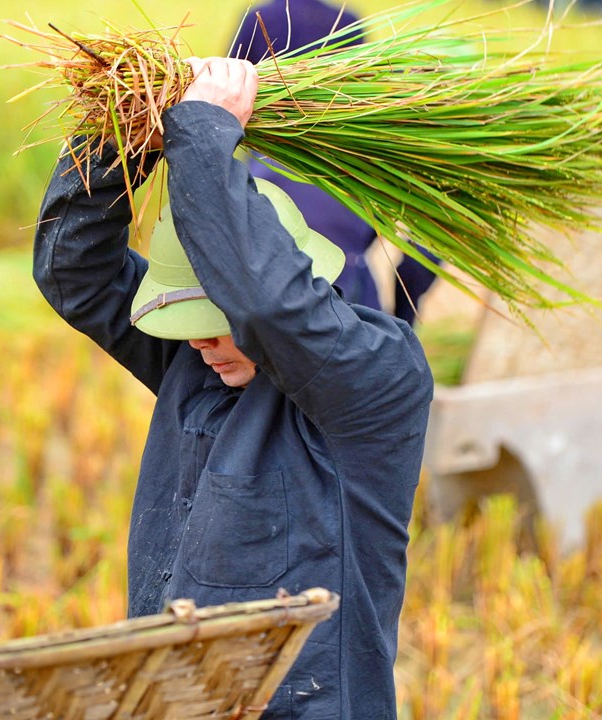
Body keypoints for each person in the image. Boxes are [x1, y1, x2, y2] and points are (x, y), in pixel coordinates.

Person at [34, 56, 433, 718]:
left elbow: (269, 310)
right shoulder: (195, 367)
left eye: (212, 323)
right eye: (183, 323)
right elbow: (74, 272)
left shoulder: (376, 378)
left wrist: (204, 133)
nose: (196, 341)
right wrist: (121, 138)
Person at [229, 0, 440, 324]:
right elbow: (426, 248)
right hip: (350, 290)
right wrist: (402, 322)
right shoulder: (349, 22)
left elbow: (224, 97)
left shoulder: (260, 16)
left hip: (268, 202)